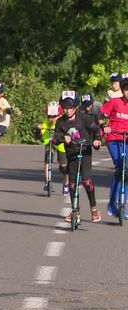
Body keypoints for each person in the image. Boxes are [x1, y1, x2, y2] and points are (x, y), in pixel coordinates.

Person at [54, 91, 102, 222]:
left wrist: (97, 140)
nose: (67, 110)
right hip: (72, 154)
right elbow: (56, 137)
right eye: (65, 107)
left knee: (86, 181)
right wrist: (63, 137)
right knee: (72, 184)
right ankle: (75, 209)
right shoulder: (60, 122)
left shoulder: (84, 118)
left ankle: (94, 208)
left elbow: (97, 130)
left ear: (75, 107)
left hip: (85, 151)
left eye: (70, 107)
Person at [100, 77, 128, 217]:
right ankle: (112, 204)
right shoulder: (114, 102)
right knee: (120, 167)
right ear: (123, 90)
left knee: (127, 170)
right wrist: (104, 126)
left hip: (127, 139)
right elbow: (101, 115)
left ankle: (123, 203)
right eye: (127, 89)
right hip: (114, 138)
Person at [33, 101, 69, 194]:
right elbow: (42, 130)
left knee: (63, 166)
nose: (51, 118)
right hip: (50, 142)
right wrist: (40, 131)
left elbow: (66, 129)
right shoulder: (46, 121)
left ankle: (66, 183)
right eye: (49, 116)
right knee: (47, 159)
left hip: (60, 143)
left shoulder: (63, 121)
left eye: (54, 116)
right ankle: (47, 181)